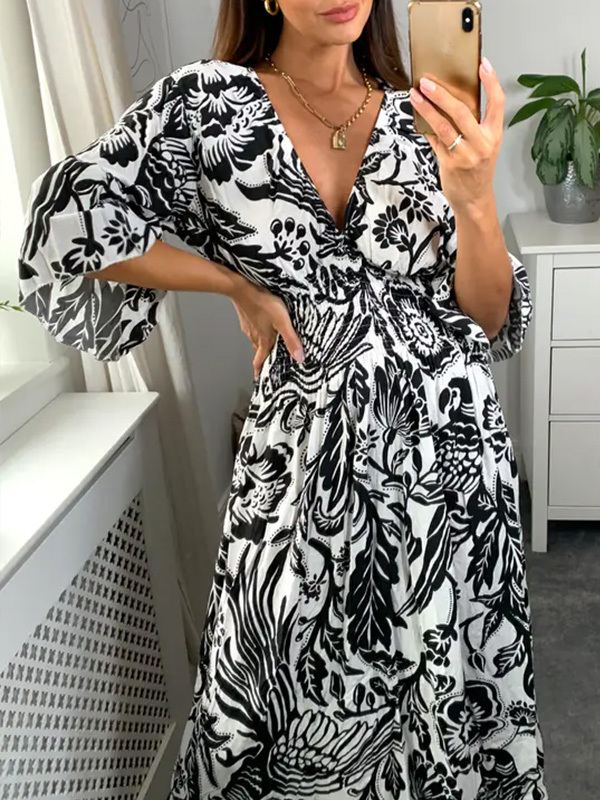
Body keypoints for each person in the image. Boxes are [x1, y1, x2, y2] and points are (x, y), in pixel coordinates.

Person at [17, 0, 549, 797]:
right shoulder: (208, 104)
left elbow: (491, 317)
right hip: (300, 476)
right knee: (271, 705)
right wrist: (232, 282)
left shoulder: (424, 114)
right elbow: (61, 223)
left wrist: (474, 197)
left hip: (451, 470)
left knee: (453, 712)